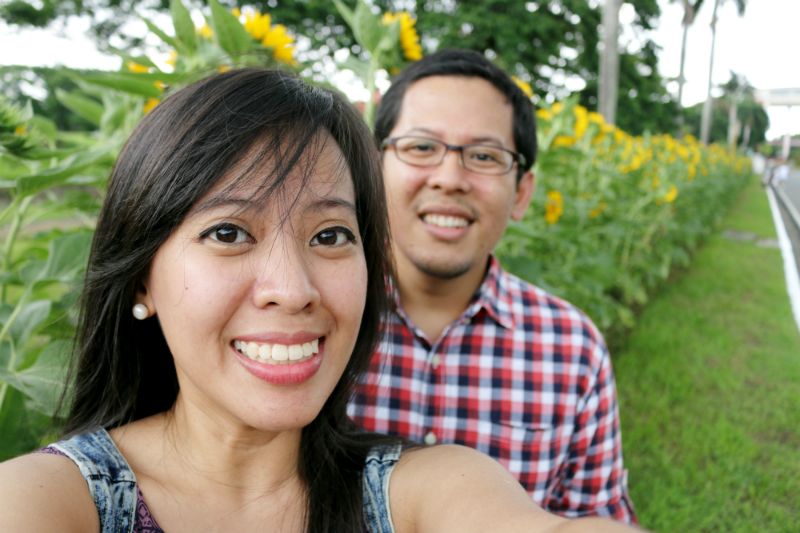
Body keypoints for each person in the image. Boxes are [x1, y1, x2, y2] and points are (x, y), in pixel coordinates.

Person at [0, 68, 642, 533]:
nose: (293, 288)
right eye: (228, 233)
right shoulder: (57, 501)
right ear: (143, 275)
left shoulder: (423, 479)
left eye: (330, 236)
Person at [349, 49, 638, 523]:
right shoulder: (316, 317)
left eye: (483, 156)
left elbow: (594, 514)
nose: (449, 179)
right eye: (421, 147)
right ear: (375, 168)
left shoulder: (572, 349)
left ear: (522, 193)